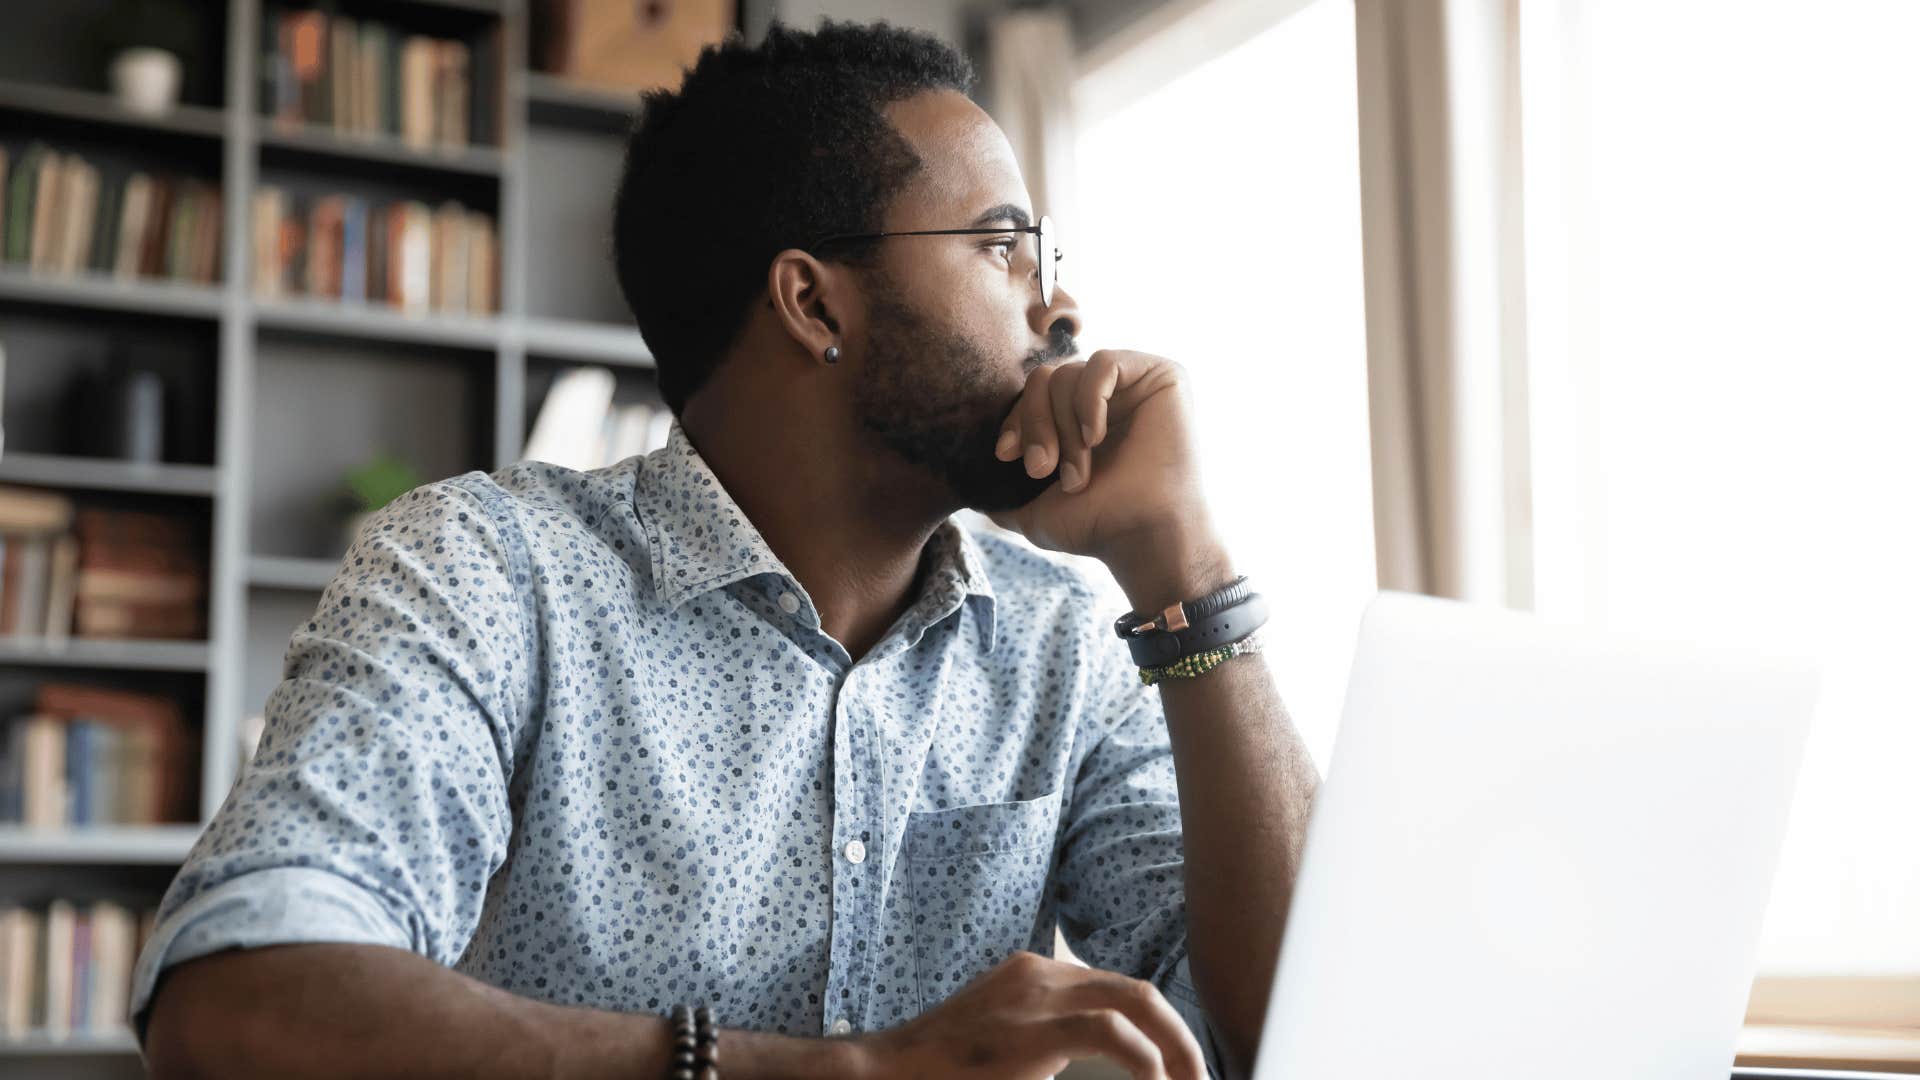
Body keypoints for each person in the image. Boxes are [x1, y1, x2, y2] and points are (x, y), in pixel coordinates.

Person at [136, 18, 1317, 1080]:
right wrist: (841, 1075)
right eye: (1001, 249)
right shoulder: (487, 572)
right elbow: (239, 1000)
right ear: (814, 305)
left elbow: (1301, 1038)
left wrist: (1188, 576)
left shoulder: (1065, 640)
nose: (1059, 310)